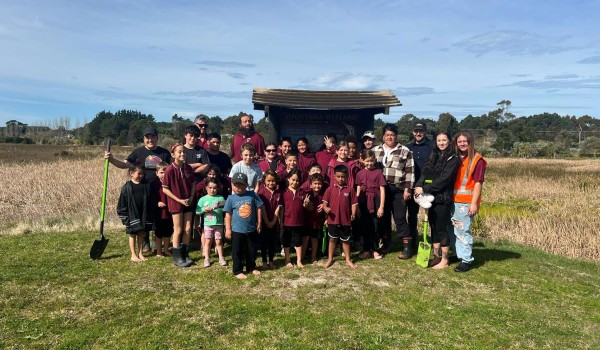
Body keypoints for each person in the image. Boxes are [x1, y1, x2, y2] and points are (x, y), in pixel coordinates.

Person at [105, 126, 171, 252]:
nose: (150, 139)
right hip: (143, 189)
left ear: (157, 138)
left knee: (158, 215)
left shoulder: (164, 153)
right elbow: (125, 165)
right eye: (147, 137)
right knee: (144, 214)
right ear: (144, 139)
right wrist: (112, 159)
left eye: (152, 137)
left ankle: (155, 240)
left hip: (160, 190)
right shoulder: (137, 152)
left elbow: (171, 168)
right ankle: (145, 242)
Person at [414, 132, 459, 269]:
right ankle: (436, 256)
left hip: (442, 198)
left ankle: (445, 261)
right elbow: (425, 172)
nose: (441, 143)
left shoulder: (453, 159)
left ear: (449, 141)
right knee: (433, 228)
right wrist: (418, 185)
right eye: (439, 140)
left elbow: (444, 180)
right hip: (430, 198)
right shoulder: (434, 156)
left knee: (441, 229)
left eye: (444, 140)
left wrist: (425, 188)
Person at [372, 123, 414, 258]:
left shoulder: (405, 151)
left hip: (398, 189)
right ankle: (386, 244)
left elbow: (410, 172)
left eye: (392, 135)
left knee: (400, 217)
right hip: (381, 190)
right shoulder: (375, 150)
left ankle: (407, 247)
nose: (390, 137)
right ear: (383, 136)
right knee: (383, 218)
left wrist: (408, 190)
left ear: (396, 136)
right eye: (387, 135)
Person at [450, 131, 487, 273]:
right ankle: (459, 255)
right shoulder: (457, 158)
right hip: (454, 200)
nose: (462, 144)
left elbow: (478, 183)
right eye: (459, 142)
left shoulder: (477, 160)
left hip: (466, 203)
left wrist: (473, 203)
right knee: (455, 230)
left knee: (463, 231)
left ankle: (466, 260)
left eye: (465, 141)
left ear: (470, 142)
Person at [224, 172, 264, 279]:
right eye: (236, 185)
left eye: (241, 185)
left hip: (251, 229)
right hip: (237, 230)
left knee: (251, 250)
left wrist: (259, 223)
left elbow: (259, 208)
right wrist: (228, 229)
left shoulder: (252, 195)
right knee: (237, 251)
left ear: (246, 185)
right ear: (232, 185)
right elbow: (228, 214)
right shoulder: (231, 198)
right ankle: (238, 270)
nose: (238, 187)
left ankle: (251, 267)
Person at [162, 143, 195, 268]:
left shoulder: (188, 168)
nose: (182, 154)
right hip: (176, 203)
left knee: (187, 229)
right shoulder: (170, 169)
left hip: (188, 202)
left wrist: (191, 197)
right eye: (179, 152)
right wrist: (179, 200)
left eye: (184, 152)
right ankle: (177, 257)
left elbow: (192, 184)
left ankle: (185, 254)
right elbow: (165, 189)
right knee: (178, 229)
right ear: (173, 154)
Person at [117, 165, 155, 262]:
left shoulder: (146, 185)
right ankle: (133, 255)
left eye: (142, 173)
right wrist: (125, 218)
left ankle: (140, 253)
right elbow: (122, 204)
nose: (141, 175)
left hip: (143, 214)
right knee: (133, 234)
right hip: (132, 215)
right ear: (131, 173)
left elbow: (150, 200)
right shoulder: (126, 187)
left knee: (142, 234)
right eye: (139, 173)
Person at [323, 165, 358, 269]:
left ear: (347, 176)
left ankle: (348, 259)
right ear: (334, 176)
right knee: (332, 240)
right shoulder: (330, 189)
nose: (341, 179)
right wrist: (326, 209)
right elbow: (325, 203)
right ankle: (330, 258)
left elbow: (354, 204)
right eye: (338, 176)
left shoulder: (350, 190)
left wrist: (353, 214)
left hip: (345, 220)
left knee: (345, 240)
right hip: (332, 220)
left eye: (343, 177)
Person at [356, 150, 386, 260]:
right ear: (363, 161)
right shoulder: (359, 173)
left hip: (375, 201)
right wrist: (357, 204)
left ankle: (375, 250)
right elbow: (358, 188)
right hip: (363, 201)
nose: (369, 163)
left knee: (375, 226)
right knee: (364, 226)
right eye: (367, 161)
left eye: (371, 161)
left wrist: (381, 206)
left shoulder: (378, 172)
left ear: (375, 160)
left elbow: (382, 190)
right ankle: (366, 249)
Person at [407, 123, 433, 249]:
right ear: (413, 132)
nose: (418, 134)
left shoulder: (432, 146)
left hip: (427, 186)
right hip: (412, 186)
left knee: (432, 216)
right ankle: (412, 241)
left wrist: (423, 185)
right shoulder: (408, 147)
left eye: (421, 131)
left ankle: (434, 242)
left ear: (425, 132)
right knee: (412, 215)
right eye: (416, 131)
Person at [196, 178, 227, 268]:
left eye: (215, 188)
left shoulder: (220, 198)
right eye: (210, 188)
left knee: (219, 241)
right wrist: (204, 209)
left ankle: (221, 257)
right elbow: (197, 211)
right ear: (206, 188)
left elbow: (224, 209)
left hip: (219, 224)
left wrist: (216, 208)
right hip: (207, 224)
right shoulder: (202, 199)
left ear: (217, 188)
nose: (212, 190)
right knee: (208, 241)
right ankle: (207, 258)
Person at [257, 170, 283, 270]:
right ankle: (264, 261)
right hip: (264, 222)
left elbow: (278, 208)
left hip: (273, 222)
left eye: (273, 181)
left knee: (272, 243)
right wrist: (267, 222)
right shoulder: (261, 192)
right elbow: (261, 208)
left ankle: (271, 261)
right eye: (269, 181)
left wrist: (273, 221)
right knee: (264, 243)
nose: (271, 183)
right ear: (264, 181)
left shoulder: (278, 193)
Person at [282, 169, 306, 268]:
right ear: (288, 179)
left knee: (298, 241)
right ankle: (287, 260)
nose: (294, 182)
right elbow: (281, 208)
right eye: (293, 179)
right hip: (286, 222)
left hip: (298, 222)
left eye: (297, 180)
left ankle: (299, 260)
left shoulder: (302, 192)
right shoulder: (284, 192)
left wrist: (306, 204)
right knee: (286, 241)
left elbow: (304, 206)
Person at [303, 173, 326, 264]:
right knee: (305, 238)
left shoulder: (324, 196)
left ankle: (313, 256)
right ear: (311, 184)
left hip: (317, 222)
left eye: (319, 183)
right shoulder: (307, 194)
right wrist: (305, 204)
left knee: (314, 239)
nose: (317, 186)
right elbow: (303, 206)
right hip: (307, 221)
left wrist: (324, 206)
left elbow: (327, 206)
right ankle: (302, 255)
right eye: (315, 183)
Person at [153, 162, 173, 257]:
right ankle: (159, 251)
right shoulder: (153, 184)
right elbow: (150, 198)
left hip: (169, 212)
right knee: (158, 232)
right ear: (156, 173)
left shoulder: (171, 183)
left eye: (166, 172)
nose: (163, 174)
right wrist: (157, 203)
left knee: (168, 231)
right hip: (158, 213)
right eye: (161, 172)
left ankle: (166, 249)